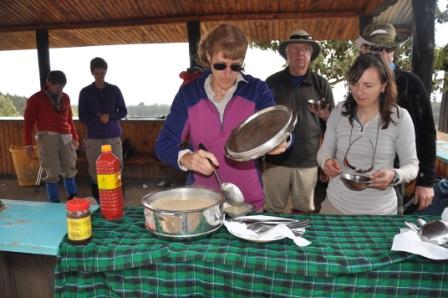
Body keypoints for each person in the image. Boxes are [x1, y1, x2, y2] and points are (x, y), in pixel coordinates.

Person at [155, 23, 286, 211]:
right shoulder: (189, 94)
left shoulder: (257, 90)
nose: (227, 74)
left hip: (247, 200)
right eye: (220, 65)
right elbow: (163, 144)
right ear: (208, 57)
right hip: (201, 202)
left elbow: (280, 127)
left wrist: (283, 140)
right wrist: (186, 158)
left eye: (236, 66)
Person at [317, 52, 419, 215]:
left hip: (381, 213)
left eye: (368, 85)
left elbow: (412, 166)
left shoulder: (400, 118)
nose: (359, 92)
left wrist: (394, 175)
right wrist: (326, 162)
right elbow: (324, 152)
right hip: (335, 206)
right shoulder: (339, 112)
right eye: (354, 83)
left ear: (384, 85)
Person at [355, 22, 437, 213]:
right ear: (364, 50)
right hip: (359, 173)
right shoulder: (357, 85)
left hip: (395, 178)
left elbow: (426, 133)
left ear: (393, 51)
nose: (380, 54)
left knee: (385, 234)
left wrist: (426, 181)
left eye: (386, 48)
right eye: (375, 49)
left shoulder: (410, 83)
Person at [262, 29, 334, 214]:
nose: (300, 53)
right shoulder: (271, 82)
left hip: (308, 160)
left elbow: (333, 125)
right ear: (286, 53)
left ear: (311, 54)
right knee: (272, 210)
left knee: (305, 210)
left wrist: (326, 117)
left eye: (305, 49)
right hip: (275, 160)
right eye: (294, 48)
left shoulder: (321, 84)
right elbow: (262, 121)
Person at [23, 70, 79, 203]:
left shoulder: (65, 97)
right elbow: (28, 122)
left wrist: (75, 137)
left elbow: (69, 119)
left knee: (70, 166)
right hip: (47, 136)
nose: (60, 89)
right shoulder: (35, 99)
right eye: (57, 86)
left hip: (66, 136)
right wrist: (28, 144)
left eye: (62, 86)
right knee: (52, 170)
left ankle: (73, 198)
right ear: (48, 83)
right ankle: (53, 202)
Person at [78, 57, 127, 201]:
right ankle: (98, 199)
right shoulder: (85, 92)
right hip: (93, 136)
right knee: (94, 169)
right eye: (97, 73)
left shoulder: (114, 90)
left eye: (102, 73)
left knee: (117, 166)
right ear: (92, 72)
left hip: (113, 135)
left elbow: (123, 112)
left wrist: (110, 116)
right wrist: (97, 119)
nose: (100, 76)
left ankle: (118, 196)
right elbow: (82, 116)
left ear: (106, 72)